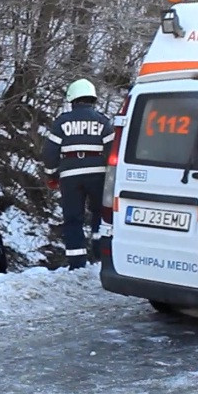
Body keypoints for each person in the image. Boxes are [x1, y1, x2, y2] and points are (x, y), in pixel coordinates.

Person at [39, 78, 114, 270]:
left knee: (73, 219)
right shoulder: (102, 121)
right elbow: (114, 149)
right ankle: (99, 256)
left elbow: (50, 152)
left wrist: (51, 174)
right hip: (98, 175)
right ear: (92, 98)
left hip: (70, 176)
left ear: (72, 98)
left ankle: (77, 263)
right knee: (100, 214)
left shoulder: (62, 122)